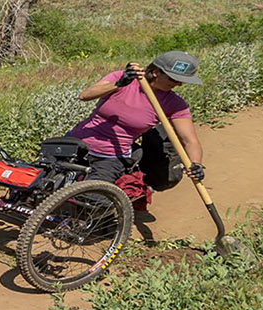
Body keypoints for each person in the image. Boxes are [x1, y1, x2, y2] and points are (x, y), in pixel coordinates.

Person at [66, 50, 207, 215]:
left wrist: (196, 164)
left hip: (111, 156)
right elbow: (84, 96)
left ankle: (114, 214)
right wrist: (120, 83)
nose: (178, 84)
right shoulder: (122, 78)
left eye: (181, 81)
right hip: (76, 141)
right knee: (37, 181)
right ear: (155, 72)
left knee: (93, 201)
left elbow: (190, 141)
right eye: (173, 78)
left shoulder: (174, 104)